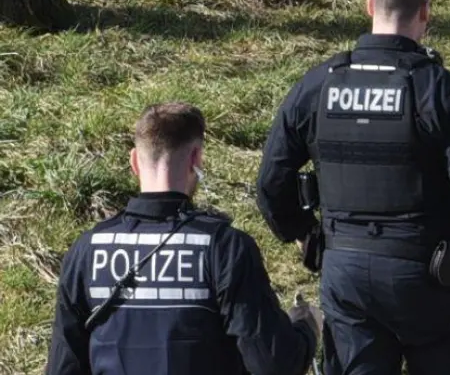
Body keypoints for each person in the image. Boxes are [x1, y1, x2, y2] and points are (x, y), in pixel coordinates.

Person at [256, 0, 450, 375]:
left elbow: (270, 184)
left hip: (345, 270)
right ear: (425, 12)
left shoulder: (318, 86)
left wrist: (305, 236)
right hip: (428, 280)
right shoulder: (442, 92)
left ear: (370, 4)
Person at [48, 102, 319, 375]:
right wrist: (307, 327)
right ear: (196, 159)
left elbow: (63, 366)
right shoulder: (224, 248)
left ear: (134, 162)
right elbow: (274, 364)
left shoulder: (87, 250)